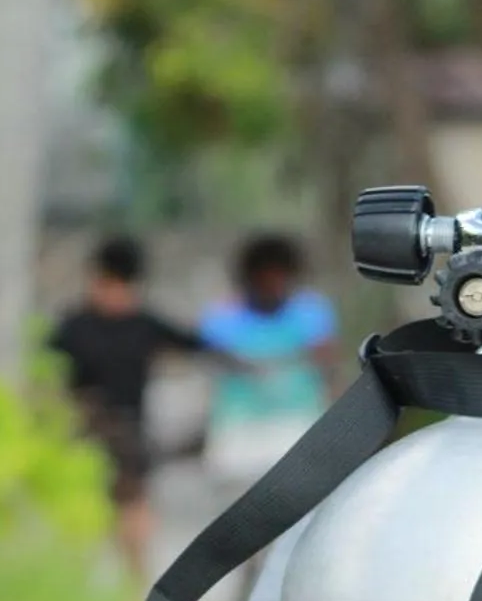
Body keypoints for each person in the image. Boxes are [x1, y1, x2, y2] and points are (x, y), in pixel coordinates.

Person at [48, 235, 209, 583]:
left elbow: (198, 344)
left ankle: (134, 588)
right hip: (82, 430)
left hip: (130, 431)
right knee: (82, 514)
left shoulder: (144, 324)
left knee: (134, 511)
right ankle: (75, 584)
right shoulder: (74, 327)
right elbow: (45, 369)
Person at [197, 234, 341, 491]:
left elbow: (328, 369)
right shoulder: (223, 319)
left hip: (298, 425)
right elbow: (213, 373)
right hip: (240, 433)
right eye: (264, 277)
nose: (272, 284)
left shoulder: (311, 313)